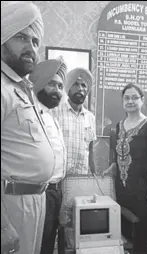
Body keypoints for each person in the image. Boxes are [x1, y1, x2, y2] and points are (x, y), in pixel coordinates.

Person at [1, 2, 56, 254]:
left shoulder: (20, 88)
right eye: (21, 37)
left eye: (35, 41)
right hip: (11, 204)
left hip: (35, 201)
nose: (31, 47)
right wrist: (2, 227)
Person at [103, 83, 147, 254]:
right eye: (126, 98)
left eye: (135, 97)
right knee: (124, 231)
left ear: (142, 100)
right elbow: (118, 154)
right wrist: (113, 166)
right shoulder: (118, 126)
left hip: (143, 191)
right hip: (122, 189)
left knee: (142, 235)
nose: (130, 101)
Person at [29, 58, 67, 254]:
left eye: (60, 86)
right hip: (35, 193)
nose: (57, 90)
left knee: (47, 243)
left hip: (54, 191)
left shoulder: (51, 116)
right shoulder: (29, 112)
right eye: (52, 84)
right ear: (39, 83)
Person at [52, 67, 96, 226]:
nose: (80, 89)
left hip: (80, 182)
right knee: (52, 225)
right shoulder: (56, 111)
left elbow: (90, 149)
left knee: (76, 225)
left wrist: (93, 176)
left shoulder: (90, 117)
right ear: (68, 88)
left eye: (84, 86)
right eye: (76, 85)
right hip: (57, 182)